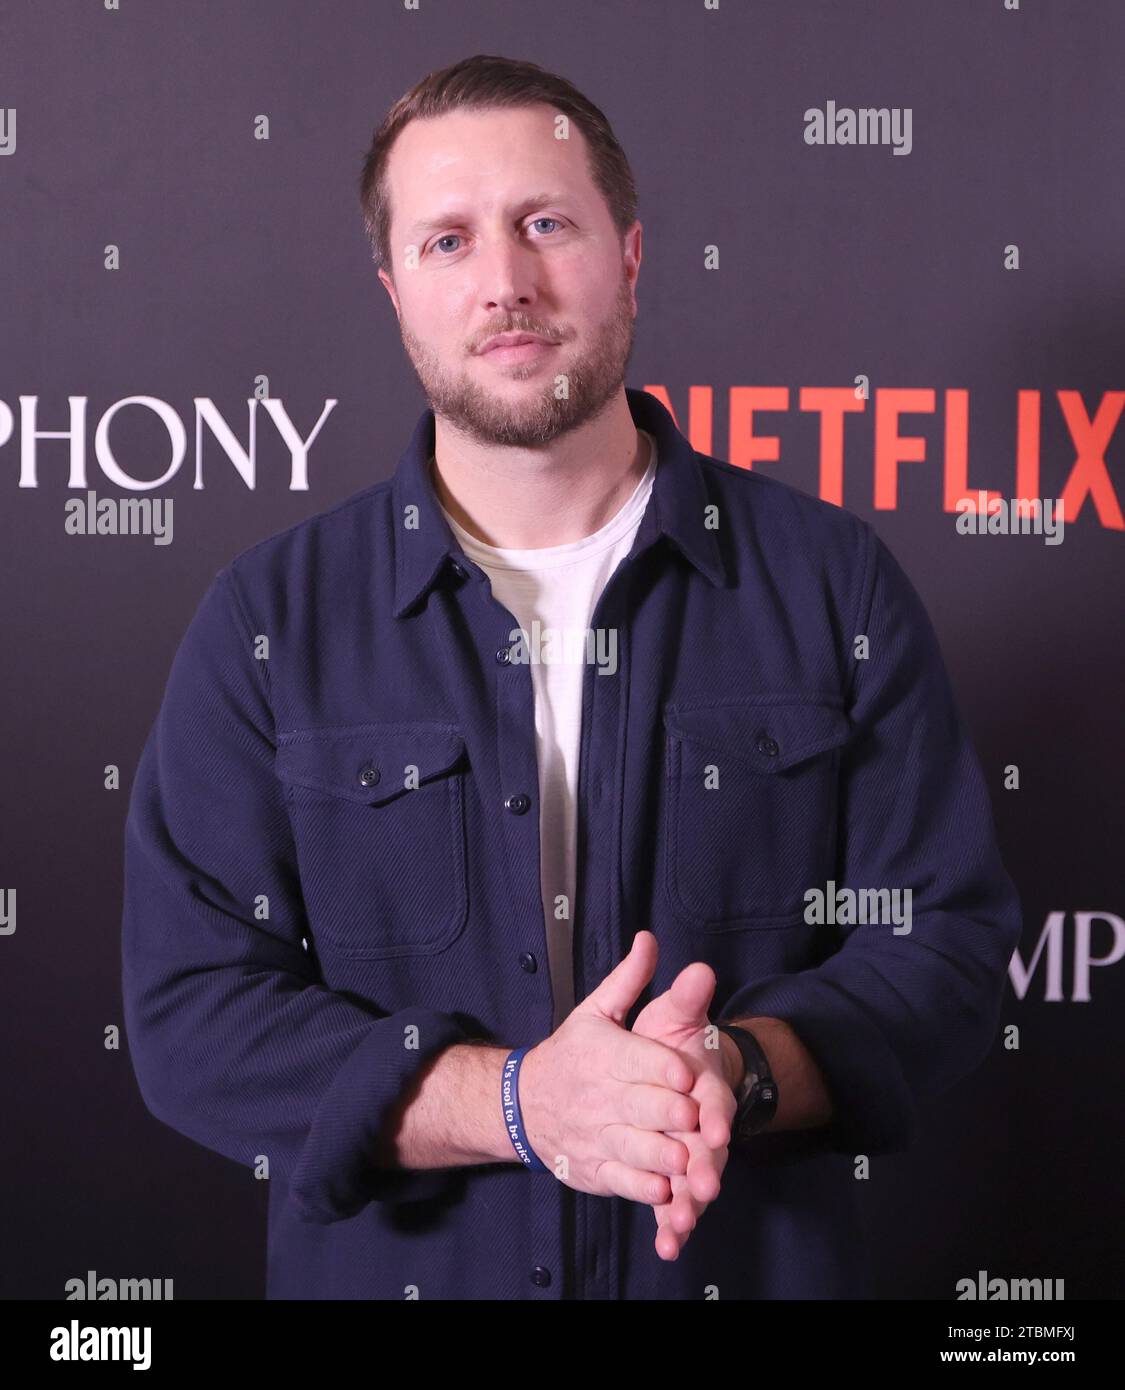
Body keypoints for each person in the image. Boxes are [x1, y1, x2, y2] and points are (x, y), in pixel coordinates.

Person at [121, 53, 1022, 1300]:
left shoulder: (833, 584)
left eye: (547, 223)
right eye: (448, 241)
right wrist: (518, 1103)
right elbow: (192, 1015)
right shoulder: (269, 621)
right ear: (394, 291)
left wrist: (736, 1069)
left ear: (632, 254)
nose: (506, 282)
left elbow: (948, 947)